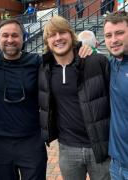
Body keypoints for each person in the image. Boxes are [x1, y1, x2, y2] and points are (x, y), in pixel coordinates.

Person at [0, 18, 92, 180]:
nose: (10, 40)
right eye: (5, 35)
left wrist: (83, 47)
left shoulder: (37, 62)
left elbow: (64, 54)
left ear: (23, 37)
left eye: (15, 35)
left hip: (31, 141)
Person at [39, 15, 111, 180]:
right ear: (47, 42)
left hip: (100, 147)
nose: (58, 38)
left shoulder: (96, 61)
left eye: (62, 32)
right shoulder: (44, 69)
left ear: (71, 35)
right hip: (67, 148)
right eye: (52, 35)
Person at [103, 11, 128, 180]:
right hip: (116, 165)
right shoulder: (110, 64)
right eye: (108, 35)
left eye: (120, 33)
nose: (113, 40)